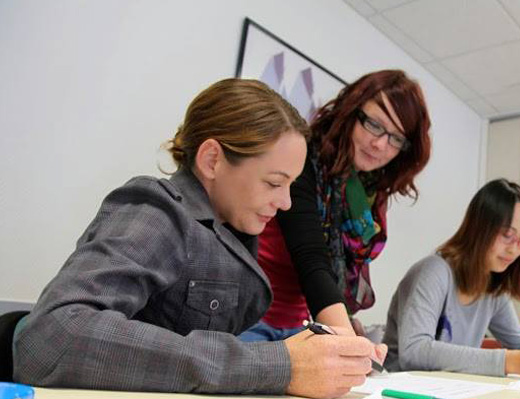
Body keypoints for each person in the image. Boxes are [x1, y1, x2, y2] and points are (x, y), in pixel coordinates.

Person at [13, 78, 381, 398]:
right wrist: (275, 365)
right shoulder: (157, 214)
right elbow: (50, 337)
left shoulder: (232, 231)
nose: (285, 203)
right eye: (273, 182)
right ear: (212, 160)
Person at [241, 70, 431, 341]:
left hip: (298, 323)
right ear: (352, 112)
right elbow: (312, 257)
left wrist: (344, 322)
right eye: (374, 125)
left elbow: (337, 268)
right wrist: (345, 338)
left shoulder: (367, 191)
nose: (379, 144)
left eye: (396, 138)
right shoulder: (303, 156)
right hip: (248, 315)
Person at [382, 179, 520, 380]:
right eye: (507, 235)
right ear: (479, 228)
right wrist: (510, 361)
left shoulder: (494, 287)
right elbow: (414, 351)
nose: (515, 249)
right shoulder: (433, 272)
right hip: (401, 389)